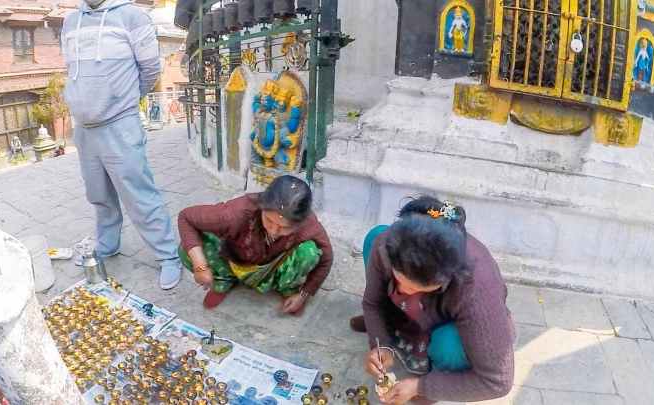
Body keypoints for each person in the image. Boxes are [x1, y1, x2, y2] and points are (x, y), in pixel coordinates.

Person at [61, 0, 182, 289]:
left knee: (139, 195)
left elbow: (151, 68)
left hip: (119, 124)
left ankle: (168, 257)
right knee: (98, 194)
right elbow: (70, 68)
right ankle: (107, 243)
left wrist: (124, 100)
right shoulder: (69, 22)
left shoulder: (132, 16)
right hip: (84, 129)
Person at [349, 196, 515, 404]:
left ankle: (433, 381)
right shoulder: (388, 244)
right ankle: (392, 328)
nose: (401, 292)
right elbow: (373, 302)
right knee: (374, 236)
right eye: (399, 280)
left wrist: (420, 387)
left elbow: (497, 382)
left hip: (450, 326)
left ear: (447, 278)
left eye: (415, 288)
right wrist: (382, 345)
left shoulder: (476, 289)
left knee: (451, 343)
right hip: (414, 313)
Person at [177, 175, 333, 315]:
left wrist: (303, 294)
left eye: (285, 227)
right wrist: (200, 266)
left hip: (273, 268)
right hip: (233, 260)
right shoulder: (238, 211)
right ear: (262, 207)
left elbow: (327, 258)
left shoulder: (308, 225)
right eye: (269, 220)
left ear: (300, 223)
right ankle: (223, 279)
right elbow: (186, 218)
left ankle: (287, 287)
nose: (273, 230)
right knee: (187, 247)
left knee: (309, 252)